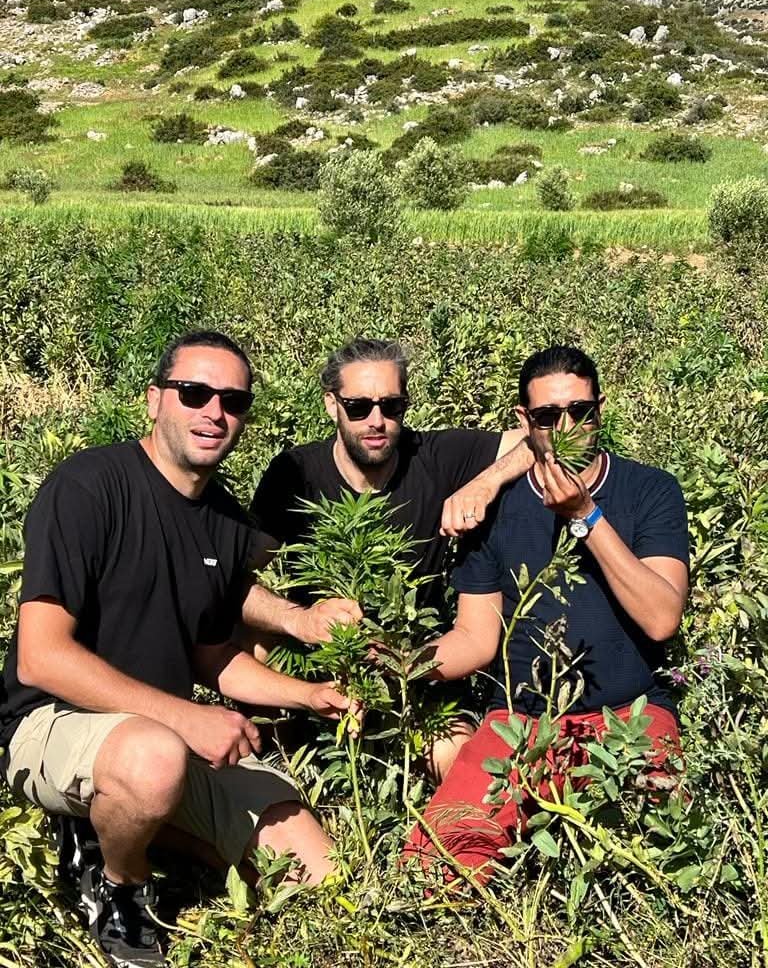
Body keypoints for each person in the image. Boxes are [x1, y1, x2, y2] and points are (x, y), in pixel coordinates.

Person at [0, 330, 357, 968]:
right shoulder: (89, 487)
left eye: (233, 401)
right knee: (154, 757)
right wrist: (188, 719)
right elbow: (41, 656)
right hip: (51, 721)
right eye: (194, 393)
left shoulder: (224, 520)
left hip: (159, 737)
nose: (214, 412)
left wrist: (308, 695)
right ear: (154, 400)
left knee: (319, 869)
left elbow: (213, 658)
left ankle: (118, 822)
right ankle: (118, 884)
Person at [404, 344, 690, 878]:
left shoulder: (650, 489)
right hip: (520, 722)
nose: (565, 428)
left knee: (664, 856)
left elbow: (661, 618)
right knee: (438, 866)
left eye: (579, 411)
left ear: (600, 410)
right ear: (524, 421)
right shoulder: (495, 509)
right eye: (547, 416)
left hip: (630, 715)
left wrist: (586, 516)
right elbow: (476, 638)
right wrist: (402, 664)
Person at [241, 337, 534, 779]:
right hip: (322, 665)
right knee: (252, 637)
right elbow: (239, 576)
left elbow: (546, 436)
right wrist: (297, 620)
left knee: (457, 760)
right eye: (358, 406)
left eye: (392, 406)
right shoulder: (296, 474)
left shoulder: (434, 457)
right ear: (331, 405)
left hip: (413, 666)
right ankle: (276, 760)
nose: (376, 421)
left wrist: (485, 482)